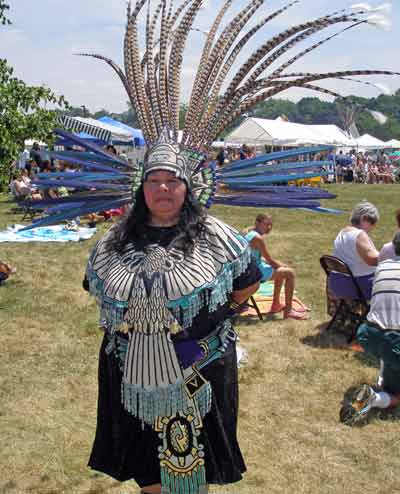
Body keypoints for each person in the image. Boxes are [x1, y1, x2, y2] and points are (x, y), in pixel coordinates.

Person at [84, 141, 262, 494]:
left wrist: (219, 314)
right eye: (153, 180)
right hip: (132, 371)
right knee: (147, 465)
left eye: (172, 180)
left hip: (202, 365)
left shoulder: (216, 235)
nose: (162, 188)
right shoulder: (115, 239)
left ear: (187, 187)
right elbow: (94, 285)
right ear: (141, 187)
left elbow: (249, 280)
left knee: (194, 468)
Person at [340, 231, 400, 426]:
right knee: (396, 394)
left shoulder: (383, 266)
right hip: (392, 339)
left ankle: (385, 379)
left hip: (367, 334)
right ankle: (374, 398)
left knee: (390, 354)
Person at [244, 213, 308, 320]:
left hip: (250, 268)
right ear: (257, 223)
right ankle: (288, 311)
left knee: (281, 270)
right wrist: (283, 266)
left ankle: (276, 304)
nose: (269, 227)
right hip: (254, 272)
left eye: (270, 225)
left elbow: (260, 258)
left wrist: (280, 265)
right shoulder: (257, 238)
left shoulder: (250, 233)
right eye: (266, 224)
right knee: (290, 273)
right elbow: (270, 261)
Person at [329, 201, 379, 301]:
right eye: (372, 222)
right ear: (364, 218)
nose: (373, 227)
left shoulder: (343, 232)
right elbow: (372, 260)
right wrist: (390, 255)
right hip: (356, 286)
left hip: (337, 284)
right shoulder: (359, 234)